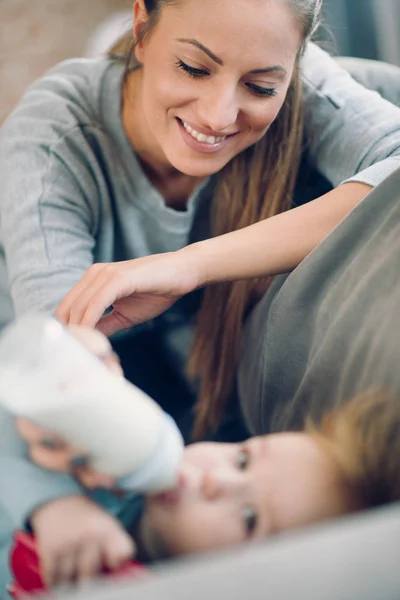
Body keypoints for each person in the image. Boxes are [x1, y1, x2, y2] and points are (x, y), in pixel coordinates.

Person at [1, 0, 400, 589]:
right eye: (193, 68)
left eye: (261, 86)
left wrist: (188, 266)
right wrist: (53, 499)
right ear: (143, 27)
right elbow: (56, 355)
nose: (219, 114)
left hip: (206, 379)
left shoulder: (304, 84)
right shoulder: (57, 139)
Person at [9, 326, 400, 589]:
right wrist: (55, 503)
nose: (217, 480)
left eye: (251, 520)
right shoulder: (106, 471)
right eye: (243, 459)